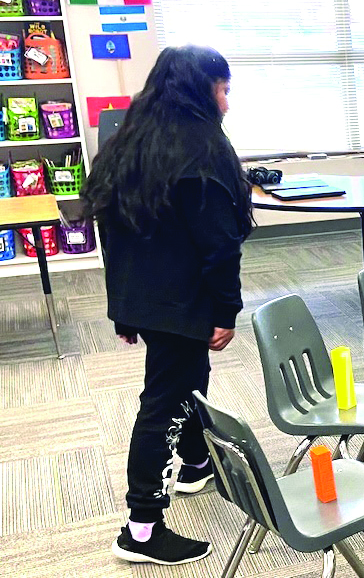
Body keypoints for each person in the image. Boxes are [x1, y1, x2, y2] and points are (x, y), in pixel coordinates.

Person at [82, 45, 252, 566]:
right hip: (182, 299)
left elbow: (113, 233)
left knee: (187, 380)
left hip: (146, 297)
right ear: (203, 89)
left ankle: (196, 464)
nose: (227, 103)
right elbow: (220, 245)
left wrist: (124, 307)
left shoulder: (129, 139)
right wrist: (226, 311)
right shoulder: (204, 147)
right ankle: (141, 530)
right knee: (164, 403)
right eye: (223, 90)